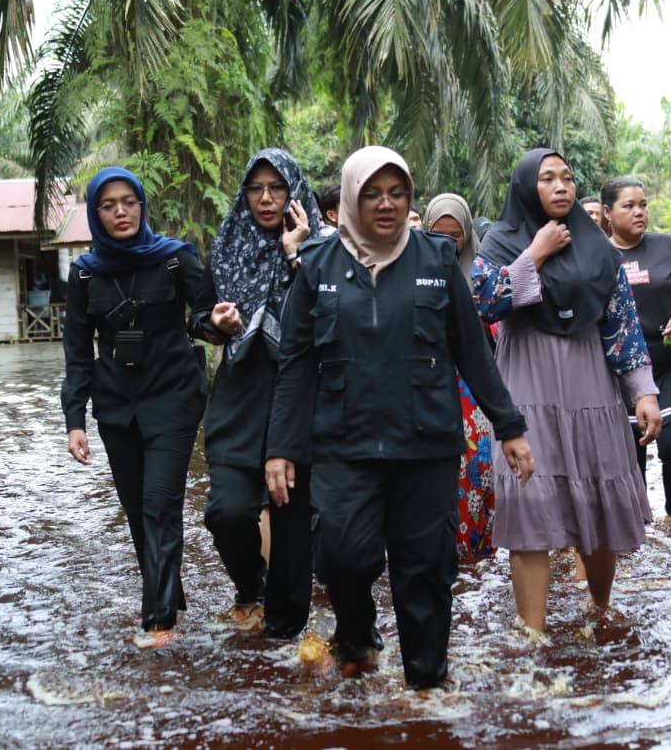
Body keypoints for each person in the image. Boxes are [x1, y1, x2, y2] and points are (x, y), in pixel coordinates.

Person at [264, 146, 534, 690]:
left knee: (426, 570)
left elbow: (471, 351)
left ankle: (426, 687)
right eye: (372, 194)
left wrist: (510, 427)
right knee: (341, 556)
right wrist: (280, 447)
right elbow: (295, 365)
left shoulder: (435, 260)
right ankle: (358, 633)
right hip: (344, 444)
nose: (386, 204)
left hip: (426, 445)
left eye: (397, 193)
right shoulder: (317, 266)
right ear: (349, 198)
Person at [474, 148, 662, 635]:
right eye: (547, 179)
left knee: (597, 499)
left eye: (568, 178)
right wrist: (535, 252)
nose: (561, 187)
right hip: (527, 384)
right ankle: (532, 635)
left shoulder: (597, 247)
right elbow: (482, 301)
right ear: (524, 188)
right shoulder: (501, 240)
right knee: (530, 503)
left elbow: (621, 322)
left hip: (590, 386)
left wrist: (642, 392)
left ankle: (599, 610)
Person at [61, 167, 225, 648]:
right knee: (136, 508)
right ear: (96, 213)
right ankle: (166, 591)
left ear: (142, 205)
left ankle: (159, 622)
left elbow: (202, 314)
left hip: (173, 398)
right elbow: (77, 352)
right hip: (116, 407)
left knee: (160, 504)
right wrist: (75, 421)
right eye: (108, 205)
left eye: (128, 201)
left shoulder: (174, 260)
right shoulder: (87, 272)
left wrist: (213, 323)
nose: (120, 211)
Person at [204, 148, 322, 638]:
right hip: (239, 399)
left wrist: (296, 250)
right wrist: (216, 323)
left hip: (297, 401)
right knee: (226, 512)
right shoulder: (227, 244)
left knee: (293, 526)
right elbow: (201, 314)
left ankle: (282, 635)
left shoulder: (323, 247)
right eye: (257, 188)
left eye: (277, 188)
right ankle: (251, 585)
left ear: (294, 192)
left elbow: (324, 310)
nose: (267, 198)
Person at [602, 177, 671, 516]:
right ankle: (637, 532)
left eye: (643, 205)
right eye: (629, 206)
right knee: (629, 457)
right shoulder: (597, 256)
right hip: (619, 371)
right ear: (607, 212)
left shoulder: (669, 246)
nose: (639, 212)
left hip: (670, 360)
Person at [424, 192, 495, 562]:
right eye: (440, 233)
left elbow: (495, 338)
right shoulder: (413, 273)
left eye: (456, 235)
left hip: (472, 392)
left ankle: (476, 556)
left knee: (478, 468)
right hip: (428, 388)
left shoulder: (481, 276)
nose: (448, 243)